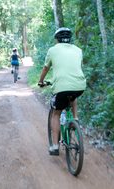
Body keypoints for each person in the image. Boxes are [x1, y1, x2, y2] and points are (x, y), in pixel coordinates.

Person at [38, 27, 86, 156]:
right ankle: (75, 119)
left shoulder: (53, 50)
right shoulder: (78, 50)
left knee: (56, 114)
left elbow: (45, 68)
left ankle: (54, 146)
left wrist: (41, 81)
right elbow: (76, 67)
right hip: (80, 85)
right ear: (70, 38)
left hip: (61, 88)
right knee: (73, 93)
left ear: (57, 39)